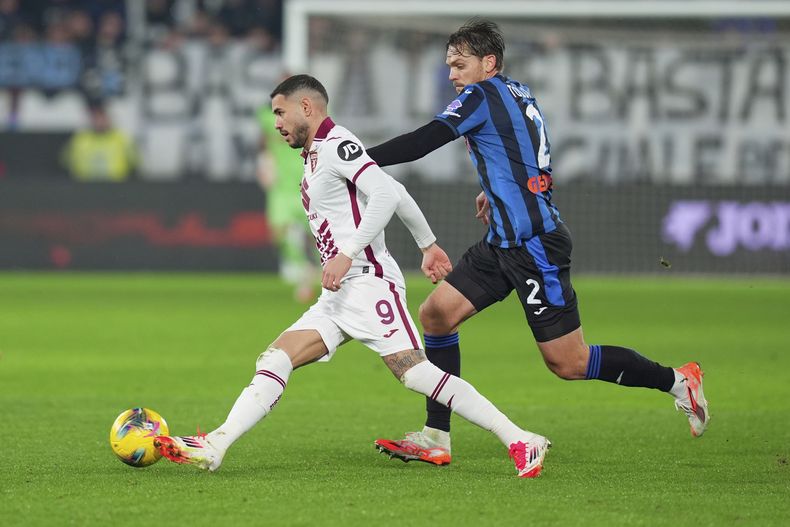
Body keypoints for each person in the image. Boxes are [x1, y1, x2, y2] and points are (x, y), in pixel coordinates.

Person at [153, 74, 552, 478]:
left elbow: (382, 195)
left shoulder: (337, 144)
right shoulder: (314, 155)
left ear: (306, 107)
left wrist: (349, 254)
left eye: (280, 112)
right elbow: (393, 188)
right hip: (338, 293)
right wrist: (428, 245)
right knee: (276, 357)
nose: (276, 123)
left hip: (368, 282)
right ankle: (217, 444)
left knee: (416, 373)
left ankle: (520, 438)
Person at [367, 20, 710, 466]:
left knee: (567, 363)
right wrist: (496, 192)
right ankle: (436, 435)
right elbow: (532, 155)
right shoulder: (519, 93)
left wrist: (356, 159)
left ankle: (678, 380)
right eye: (449, 65)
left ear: (488, 63)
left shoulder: (480, 95)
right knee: (435, 315)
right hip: (501, 244)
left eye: (459, 64)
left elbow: (423, 142)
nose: (451, 74)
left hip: (535, 248)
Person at [257, 103, 318, 303]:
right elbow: (264, 141)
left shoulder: (310, 113)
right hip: (281, 188)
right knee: (278, 233)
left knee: (318, 237)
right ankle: (304, 272)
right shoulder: (267, 116)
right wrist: (264, 162)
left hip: (306, 183)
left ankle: (330, 274)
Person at [62, 102, 137, 182]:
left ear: (108, 118)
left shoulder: (122, 139)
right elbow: (66, 162)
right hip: (84, 188)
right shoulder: (80, 140)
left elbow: (135, 164)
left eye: (102, 117)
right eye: (96, 118)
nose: (99, 121)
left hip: (116, 188)